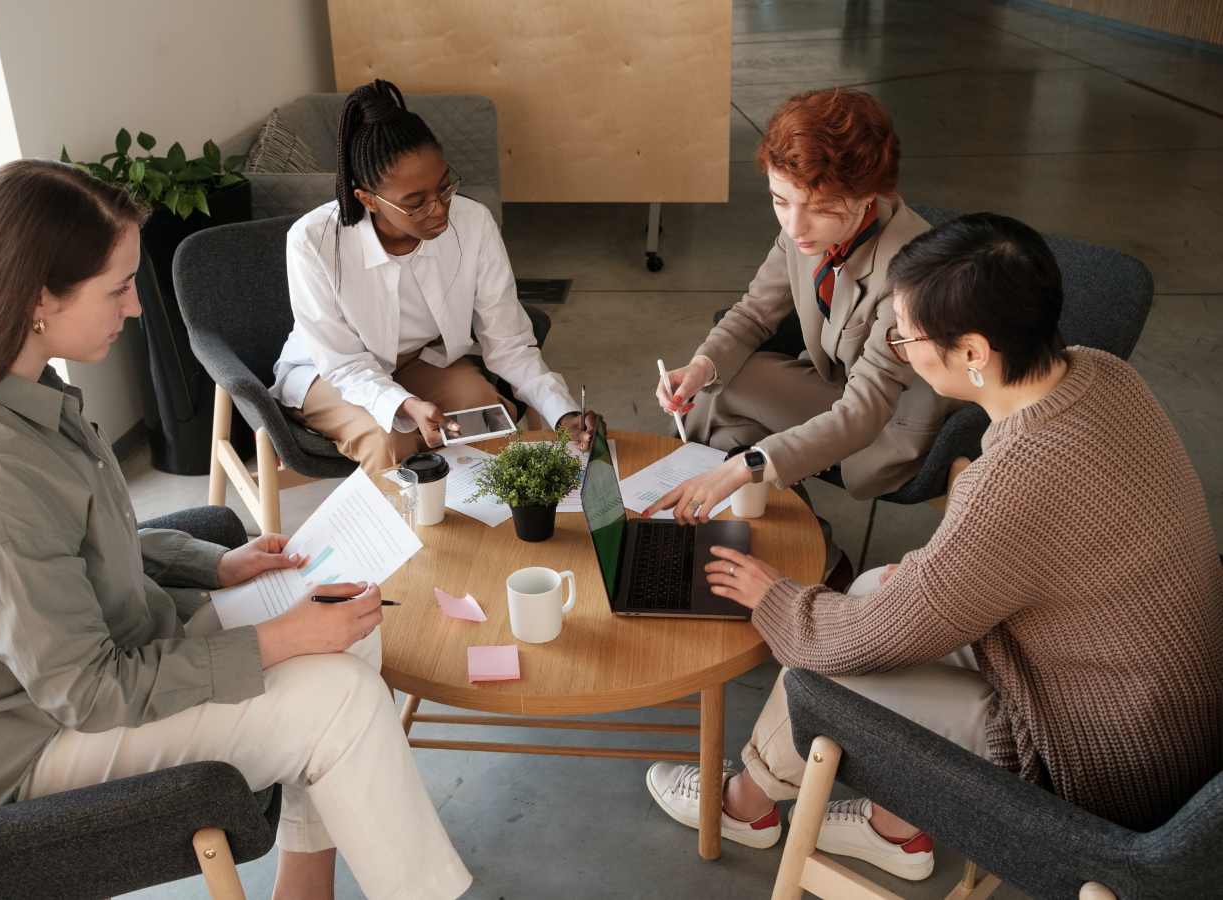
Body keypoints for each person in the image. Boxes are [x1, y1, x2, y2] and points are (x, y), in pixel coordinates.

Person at [0, 160, 471, 900]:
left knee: (346, 618)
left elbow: (74, 550)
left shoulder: (25, 394)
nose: (134, 310)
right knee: (338, 697)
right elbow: (90, 693)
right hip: (19, 751)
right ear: (37, 300)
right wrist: (276, 641)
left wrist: (212, 564)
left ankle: (303, 889)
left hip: (81, 675)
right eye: (118, 288)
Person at [645, 213, 1223, 881]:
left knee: (824, 671)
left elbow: (859, 640)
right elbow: (1011, 547)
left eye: (905, 334)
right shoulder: (1100, 373)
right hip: (1166, 706)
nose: (900, 347)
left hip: (1101, 763)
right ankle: (897, 831)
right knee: (876, 586)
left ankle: (743, 805)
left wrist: (772, 597)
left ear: (974, 352)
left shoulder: (1020, 479)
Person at [648, 88, 955, 582]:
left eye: (818, 206)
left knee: (727, 430)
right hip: (840, 389)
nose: (795, 225)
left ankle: (792, 553)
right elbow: (753, 313)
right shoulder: (806, 227)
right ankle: (805, 549)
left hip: (888, 422)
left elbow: (863, 412)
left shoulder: (911, 272)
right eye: (779, 200)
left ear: (868, 195)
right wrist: (701, 366)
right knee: (721, 406)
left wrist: (742, 468)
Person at [271, 79, 596, 474]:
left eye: (444, 188)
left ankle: (491, 531)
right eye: (415, 202)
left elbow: (509, 343)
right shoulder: (312, 242)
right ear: (368, 199)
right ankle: (407, 535)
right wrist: (403, 404)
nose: (439, 210)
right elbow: (342, 364)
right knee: (391, 438)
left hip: (418, 360)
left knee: (489, 418)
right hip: (331, 372)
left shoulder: (473, 222)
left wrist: (563, 413)